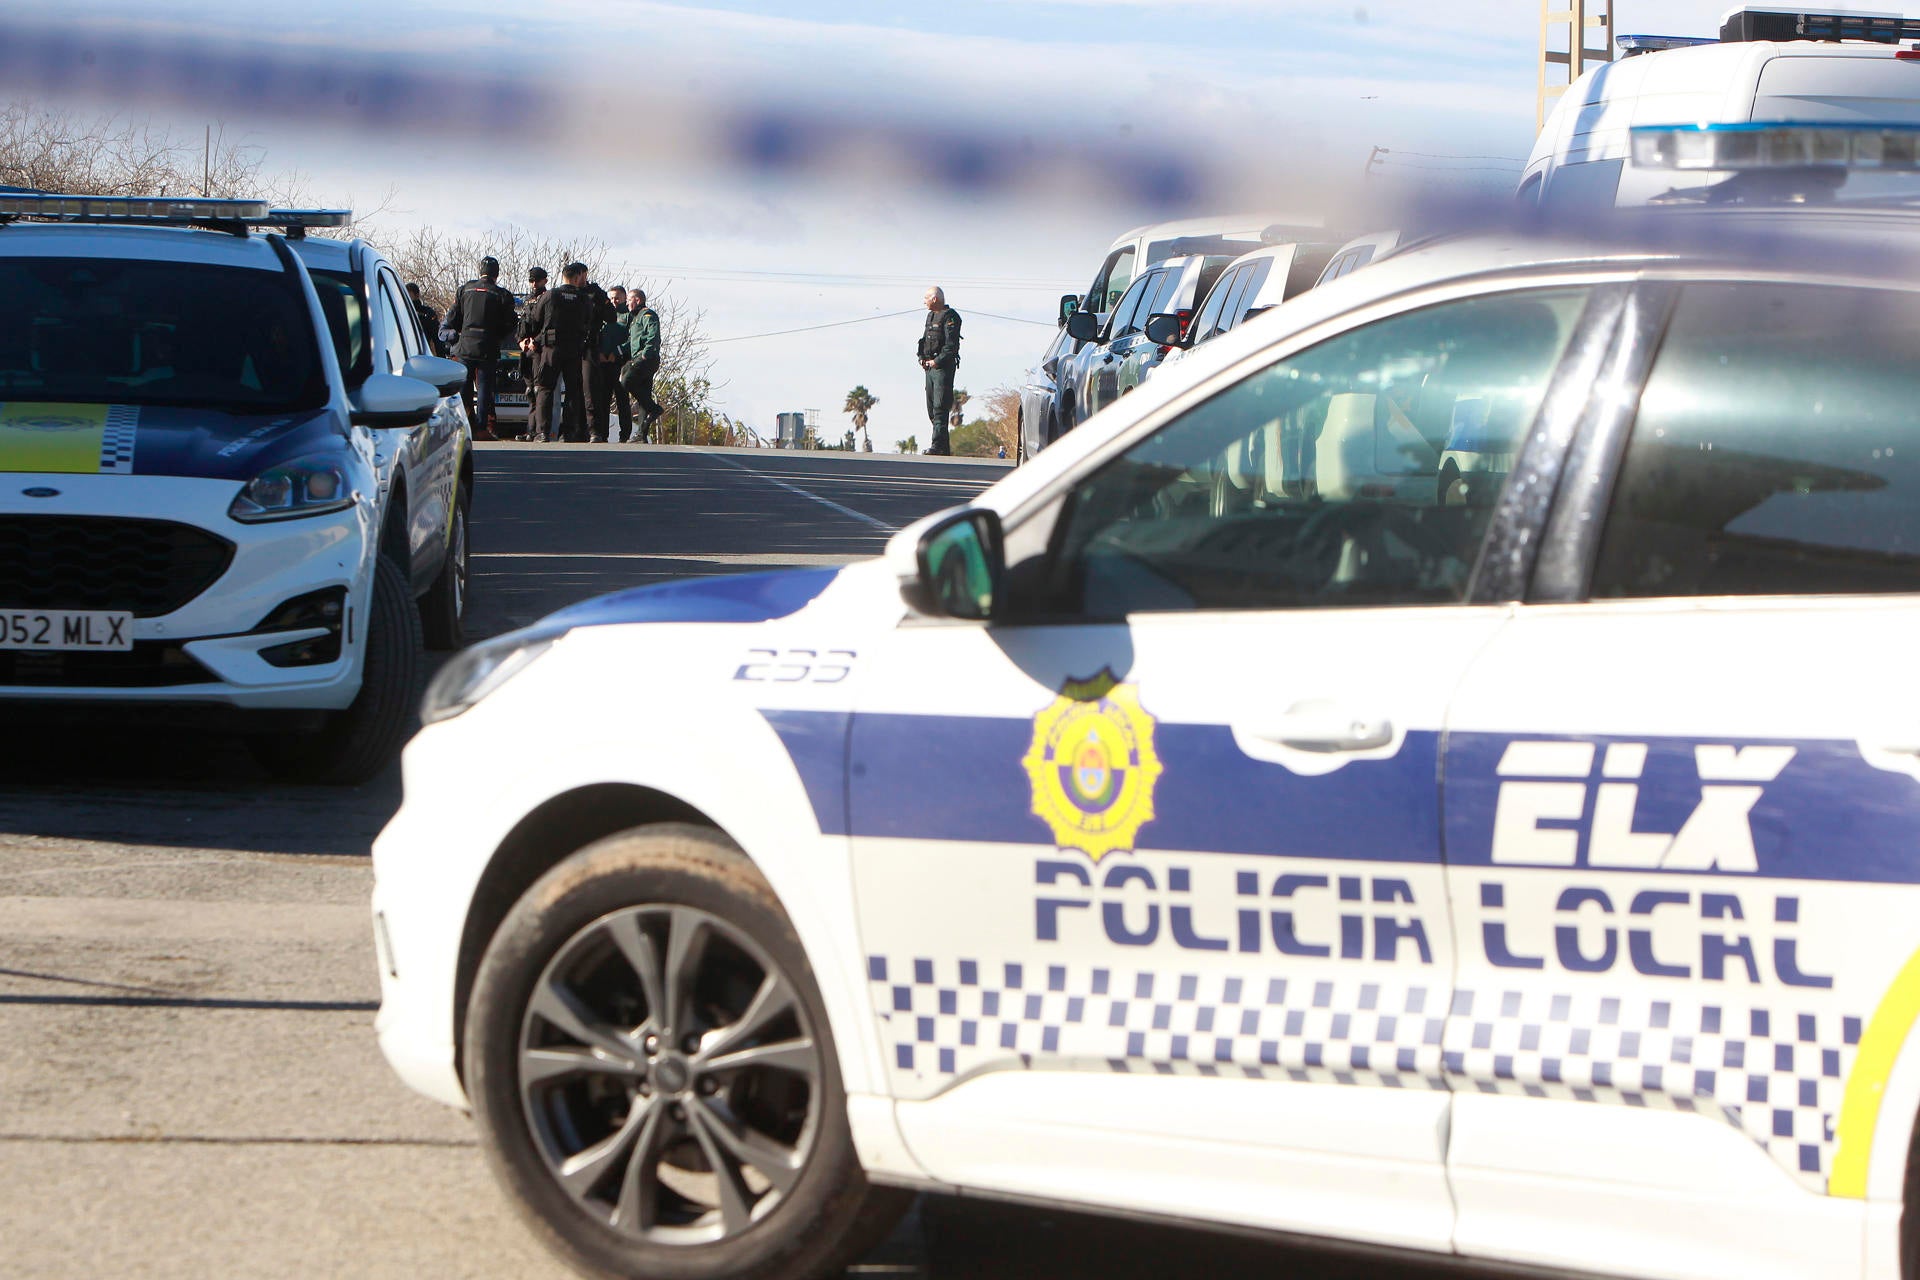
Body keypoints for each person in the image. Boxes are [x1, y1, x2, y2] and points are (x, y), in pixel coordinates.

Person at [445, 256, 517, 440]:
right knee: (485, 388)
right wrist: (497, 336)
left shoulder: (465, 289)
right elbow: (510, 323)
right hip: (488, 346)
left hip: (465, 346)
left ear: (480, 271)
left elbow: (453, 319)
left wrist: (460, 333)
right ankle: (481, 427)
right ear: (496, 274)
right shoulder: (502, 294)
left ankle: (465, 425)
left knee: (465, 389)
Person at [524, 261, 595, 443]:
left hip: (551, 348)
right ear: (577, 278)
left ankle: (543, 432)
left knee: (545, 388)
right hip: (574, 348)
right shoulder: (584, 298)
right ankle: (569, 433)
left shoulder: (550, 295)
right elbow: (589, 321)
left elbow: (536, 317)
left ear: (563, 276)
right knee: (573, 390)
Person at [917, 286, 961, 456]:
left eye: (926, 298)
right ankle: (944, 447)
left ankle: (937, 445)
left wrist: (937, 361)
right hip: (929, 369)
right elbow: (924, 340)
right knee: (931, 409)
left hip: (942, 368)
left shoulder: (950, 317)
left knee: (940, 407)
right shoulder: (930, 316)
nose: (924, 301)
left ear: (934, 299)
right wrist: (922, 357)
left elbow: (951, 346)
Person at [594, 286, 636, 443]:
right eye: (611, 298)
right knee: (602, 400)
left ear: (624, 298)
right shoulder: (602, 315)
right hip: (602, 363)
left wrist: (617, 352)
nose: (614, 301)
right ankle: (602, 434)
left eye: (617, 298)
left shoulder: (630, 316)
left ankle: (625, 435)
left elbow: (633, 339)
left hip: (621, 363)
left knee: (622, 400)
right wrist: (598, 352)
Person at [621, 289, 664, 441]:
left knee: (626, 381)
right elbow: (632, 341)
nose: (627, 303)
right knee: (644, 394)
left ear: (638, 300)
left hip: (646, 359)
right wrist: (618, 350)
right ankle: (642, 433)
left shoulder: (647, 315)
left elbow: (653, 335)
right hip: (641, 358)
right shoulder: (635, 318)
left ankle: (654, 409)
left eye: (629, 300)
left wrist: (645, 354)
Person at [516, 267, 551, 441]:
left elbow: (548, 325)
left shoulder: (548, 298)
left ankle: (540, 431)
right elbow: (521, 324)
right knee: (530, 392)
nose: (534, 284)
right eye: (531, 280)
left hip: (539, 350)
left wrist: (535, 341)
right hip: (526, 350)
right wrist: (520, 340)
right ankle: (530, 431)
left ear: (545, 280)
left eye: (537, 280)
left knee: (539, 390)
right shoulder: (528, 300)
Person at [406, 282, 445, 357]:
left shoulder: (427, 313)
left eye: (409, 295)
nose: (407, 299)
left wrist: (442, 358)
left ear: (417, 295)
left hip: (422, 354)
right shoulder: (402, 312)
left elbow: (437, 339)